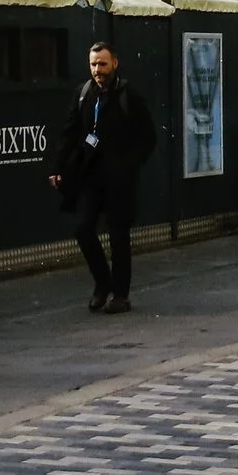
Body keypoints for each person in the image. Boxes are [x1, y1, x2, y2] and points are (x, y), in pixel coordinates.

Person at [50, 42, 157, 311]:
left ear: (115, 64)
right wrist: (57, 167)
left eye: (103, 64)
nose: (98, 70)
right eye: (93, 64)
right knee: (82, 228)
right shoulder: (84, 93)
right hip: (90, 176)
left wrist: (129, 165)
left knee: (118, 236)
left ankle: (120, 295)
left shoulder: (128, 95)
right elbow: (69, 132)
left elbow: (149, 137)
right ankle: (102, 283)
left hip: (119, 180)